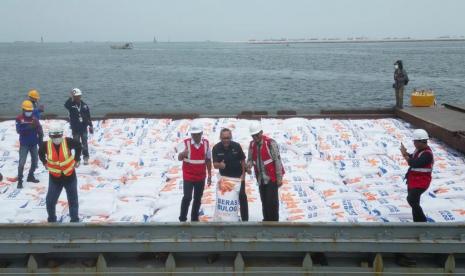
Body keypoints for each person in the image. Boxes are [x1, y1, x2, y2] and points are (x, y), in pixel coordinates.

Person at [39, 122, 81, 223]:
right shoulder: (46, 145)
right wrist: (44, 162)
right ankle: (52, 220)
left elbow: (79, 146)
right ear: (50, 136)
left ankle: (74, 220)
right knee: (50, 201)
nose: (57, 138)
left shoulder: (68, 142)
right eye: (54, 136)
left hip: (69, 176)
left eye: (58, 136)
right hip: (55, 179)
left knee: (73, 201)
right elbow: (40, 153)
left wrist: (77, 159)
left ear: (62, 134)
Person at [247, 122, 284, 221]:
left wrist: (279, 178)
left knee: (272, 202)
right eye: (253, 135)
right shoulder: (252, 145)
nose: (255, 137)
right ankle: (266, 221)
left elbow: (277, 160)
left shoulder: (270, 143)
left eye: (257, 135)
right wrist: (248, 166)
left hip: (271, 178)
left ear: (261, 132)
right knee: (264, 201)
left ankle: (274, 223)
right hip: (260, 178)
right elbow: (250, 159)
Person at [178, 122, 212, 222]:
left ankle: (194, 218)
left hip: (201, 177)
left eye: (198, 134)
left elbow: (208, 160)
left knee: (197, 198)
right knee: (187, 197)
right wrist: (182, 154)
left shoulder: (206, 144)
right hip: (188, 176)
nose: (196, 136)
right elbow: (179, 158)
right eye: (194, 134)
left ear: (201, 133)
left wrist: (209, 175)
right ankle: (182, 218)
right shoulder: (185, 143)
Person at [212, 128, 249, 221]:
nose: (226, 140)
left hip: (238, 178)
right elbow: (215, 164)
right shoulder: (216, 148)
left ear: (231, 137)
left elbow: (243, 160)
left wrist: (243, 175)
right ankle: (225, 218)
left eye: (228, 138)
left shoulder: (236, 146)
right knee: (225, 199)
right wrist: (220, 165)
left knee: (242, 197)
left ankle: (245, 220)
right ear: (220, 138)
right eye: (224, 138)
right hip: (225, 180)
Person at [400, 129, 433, 222]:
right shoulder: (419, 150)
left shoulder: (427, 154)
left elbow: (415, 163)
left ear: (421, 142)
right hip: (413, 180)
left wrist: (405, 156)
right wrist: (406, 154)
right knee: (415, 202)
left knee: (411, 199)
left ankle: (422, 221)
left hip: (421, 182)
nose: (414, 143)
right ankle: (417, 222)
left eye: (415, 141)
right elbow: (413, 158)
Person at [15, 100, 43, 189]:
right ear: (23, 110)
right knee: (22, 163)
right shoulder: (19, 118)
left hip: (34, 144)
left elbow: (39, 130)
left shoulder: (34, 119)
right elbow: (19, 131)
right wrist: (30, 127)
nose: (29, 112)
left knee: (35, 162)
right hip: (24, 144)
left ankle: (30, 176)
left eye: (30, 111)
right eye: (27, 111)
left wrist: (41, 141)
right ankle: (20, 180)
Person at [64, 88, 93, 165]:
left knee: (85, 144)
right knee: (76, 144)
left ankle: (86, 158)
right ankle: (77, 159)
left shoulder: (85, 106)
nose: (77, 98)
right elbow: (66, 105)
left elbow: (88, 116)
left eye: (78, 96)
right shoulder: (71, 105)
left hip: (83, 128)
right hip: (75, 129)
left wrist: (90, 126)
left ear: (80, 96)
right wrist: (71, 97)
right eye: (75, 96)